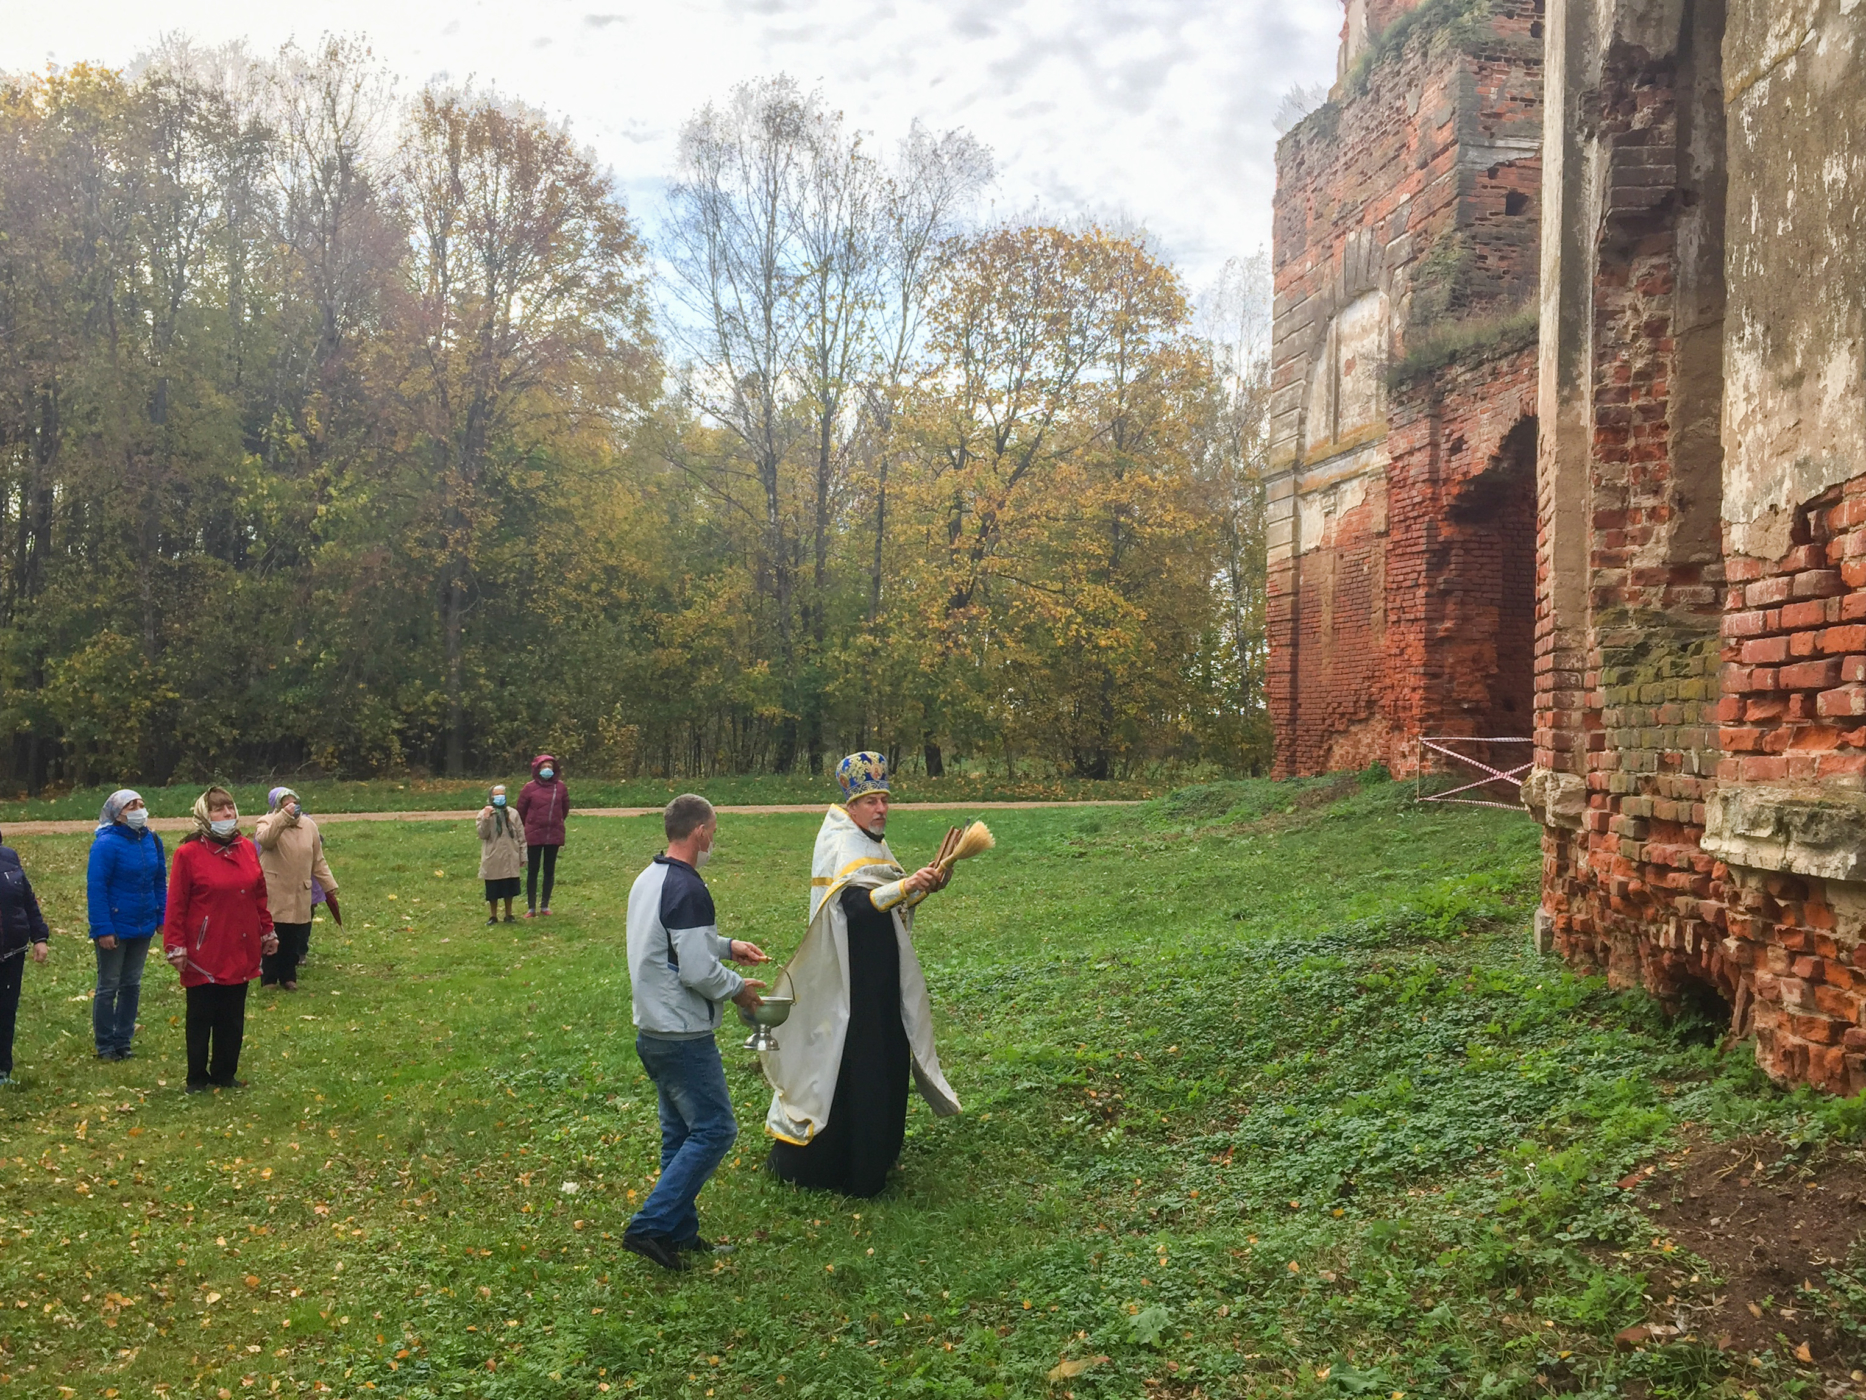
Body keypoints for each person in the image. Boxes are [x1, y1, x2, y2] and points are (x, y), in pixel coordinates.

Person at [763, 752, 959, 1197]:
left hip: (881, 980)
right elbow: (852, 906)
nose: (881, 809)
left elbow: (887, 906)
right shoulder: (840, 841)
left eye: (884, 799)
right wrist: (906, 886)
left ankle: (878, 1157)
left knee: (887, 1063)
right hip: (846, 987)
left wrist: (922, 886)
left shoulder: (873, 843)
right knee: (853, 1070)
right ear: (852, 806)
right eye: (871, 801)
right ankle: (844, 1170)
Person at [623, 794, 769, 1271]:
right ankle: (650, 1225)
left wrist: (728, 945)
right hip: (683, 1033)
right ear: (701, 831)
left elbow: (671, 942)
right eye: (714, 831)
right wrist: (740, 992)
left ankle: (679, 1233)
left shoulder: (651, 878)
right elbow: (697, 973)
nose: (713, 841)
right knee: (715, 1129)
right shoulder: (689, 889)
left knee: (679, 1133)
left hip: (653, 1029)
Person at [163, 787, 277, 1091]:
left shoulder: (246, 847)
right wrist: (176, 947)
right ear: (204, 815)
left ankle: (225, 1072)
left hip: (240, 942)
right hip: (205, 949)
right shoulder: (188, 854)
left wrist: (267, 930)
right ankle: (197, 1077)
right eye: (218, 809)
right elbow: (176, 903)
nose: (227, 814)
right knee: (202, 1015)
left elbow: (259, 894)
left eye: (230, 808)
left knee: (232, 1014)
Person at [85, 789, 167, 1061]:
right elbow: (97, 888)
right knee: (109, 985)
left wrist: (161, 916)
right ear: (117, 813)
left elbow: (159, 880)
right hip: (115, 926)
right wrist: (103, 929)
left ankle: (124, 1040)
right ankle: (105, 1044)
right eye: (132, 805)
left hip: (142, 923)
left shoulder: (152, 840)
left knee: (132, 984)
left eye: (141, 804)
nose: (139, 809)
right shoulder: (106, 844)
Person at [255, 787, 341, 991]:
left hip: (299, 889)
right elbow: (266, 840)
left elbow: (317, 860)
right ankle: (269, 979)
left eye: (294, 803)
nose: (292, 808)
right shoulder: (266, 822)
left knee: (294, 935)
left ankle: (289, 977)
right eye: (286, 804)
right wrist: (282, 818)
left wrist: (330, 885)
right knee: (273, 934)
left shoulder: (309, 825)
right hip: (276, 889)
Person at [0, 829, 51, 1086]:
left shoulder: (9, 858)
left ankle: (2, 1070)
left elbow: (28, 901)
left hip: (12, 950)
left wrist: (39, 937)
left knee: (6, 1010)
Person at [516, 754, 569, 917]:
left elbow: (564, 808)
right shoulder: (529, 788)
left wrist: (556, 821)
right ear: (537, 769)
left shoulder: (560, 787)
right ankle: (531, 907)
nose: (547, 770)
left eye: (550, 767)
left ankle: (545, 905)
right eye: (544, 767)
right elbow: (521, 810)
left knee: (549, 870)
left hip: (553, 834)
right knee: (533, 870)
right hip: (533, 834)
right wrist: (531, 824)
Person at [476, 783, 526, 924]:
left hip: (511, 854)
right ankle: (493, 916)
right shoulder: (484, 814)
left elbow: (521, 836)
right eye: (496, 794)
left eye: (502, 794)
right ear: (491, 797)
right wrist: (486, 818)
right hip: (493, 856)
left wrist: (523, 855)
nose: (500, 797)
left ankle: (509, 914)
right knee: (493, 888)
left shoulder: (513, 813)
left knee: (509, 888)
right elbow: (482, 834)